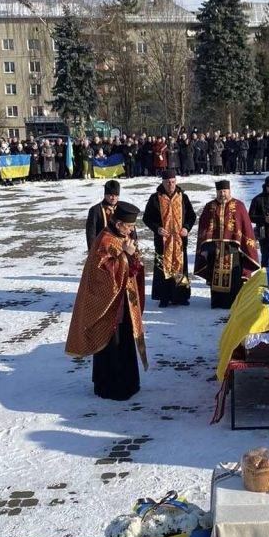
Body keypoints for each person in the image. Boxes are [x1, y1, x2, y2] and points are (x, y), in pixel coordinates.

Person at [66, 200, 147, 401]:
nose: (130, 230)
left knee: (126, 341)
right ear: (118, 223)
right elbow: (104, 274)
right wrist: (125, 256)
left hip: (124, 301)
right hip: (109, 306)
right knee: (112, 345)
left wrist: (134, 260)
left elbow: (130, 267)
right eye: (128, 226)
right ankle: (111, 387)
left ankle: (129, 382)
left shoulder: (121, 236)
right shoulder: (105, 240)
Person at [195, 180, 260, 308]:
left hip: (233, 249)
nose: (222, 194)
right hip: (215, 249)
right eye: (219, 191)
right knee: (215, 276)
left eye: (224, 191)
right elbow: (203, 226)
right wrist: (206, 244)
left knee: (234, 277)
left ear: (229, 191)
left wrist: (241, 244)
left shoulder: (239, 205)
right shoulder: (210, 206)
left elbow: (246, 227)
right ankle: (217, 302)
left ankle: (233, 302)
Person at [142, 169, 197, 308]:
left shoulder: (183, 197)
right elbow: (146, 218)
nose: (170, 184)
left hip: (179, 241)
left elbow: (192, 216)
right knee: (163, 268)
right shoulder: (155, 198)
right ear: (163, 182)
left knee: (180, 267)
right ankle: (164, 297)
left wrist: (186, 228)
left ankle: (181, 296)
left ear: (176, 182)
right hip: (162, 242)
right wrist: (157, 228)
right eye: (167, 182)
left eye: (172, 182)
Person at [86, 180, 121, 250]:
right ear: (105, 195)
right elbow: (91, 232)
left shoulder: (122, 208)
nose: (113, 198)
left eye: (116, 195)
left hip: (119, 247)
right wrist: (92, 250)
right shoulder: (95, 210)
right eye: (111, 195)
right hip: (101, 247)